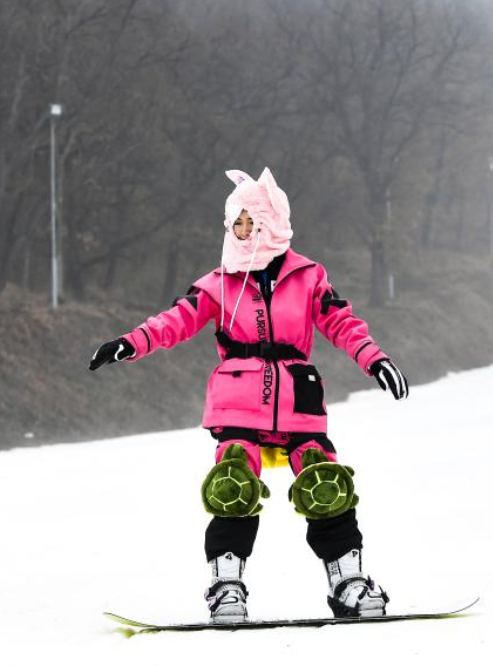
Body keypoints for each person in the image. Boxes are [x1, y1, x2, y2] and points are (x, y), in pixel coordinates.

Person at [89, 168, 409, 621]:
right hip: (238, 399)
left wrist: (374, 359)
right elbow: (175, 320)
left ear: (270, 222)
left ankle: (348, 582)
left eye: (248, 222)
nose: (240, 232)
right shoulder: (218, 283)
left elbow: (341, 323)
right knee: (232, 486)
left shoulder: (308, 277)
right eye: (234, 223)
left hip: (298, 400)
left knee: (326, 484)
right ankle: (226, 586)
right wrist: (130, 342)